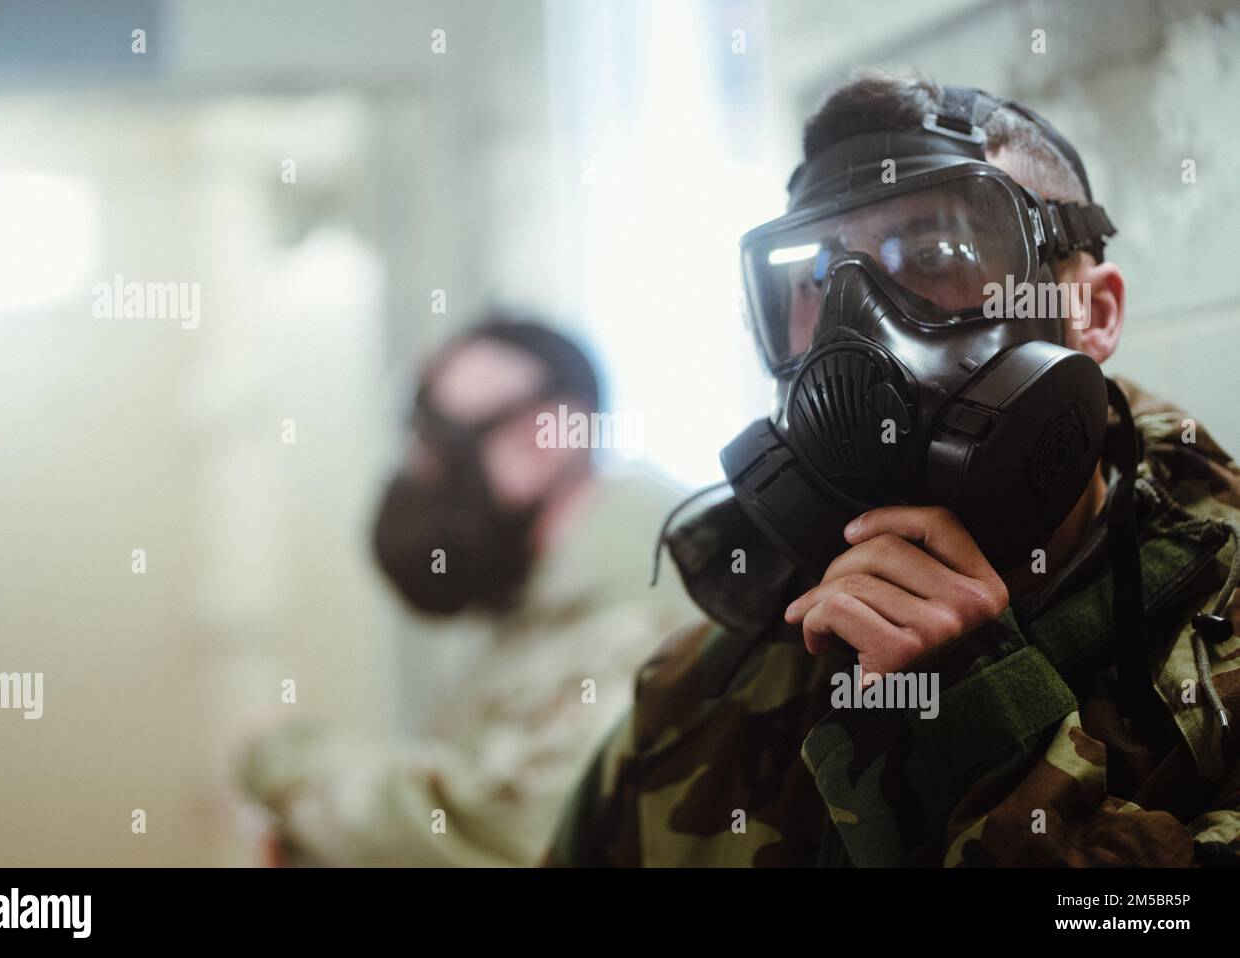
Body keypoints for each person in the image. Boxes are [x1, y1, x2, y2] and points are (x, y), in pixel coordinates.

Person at [547, 72, 1240, 867]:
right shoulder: (700, 688)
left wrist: (987, 719)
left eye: (939, 252)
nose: (854, 324)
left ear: (1095, 313)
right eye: (817, 280)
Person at [237, 312, 694, 866]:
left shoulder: (653, 615)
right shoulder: (536, 613)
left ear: (548, 435)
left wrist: (288, 761)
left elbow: (507, 836)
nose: (423, 476)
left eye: (440, 445)